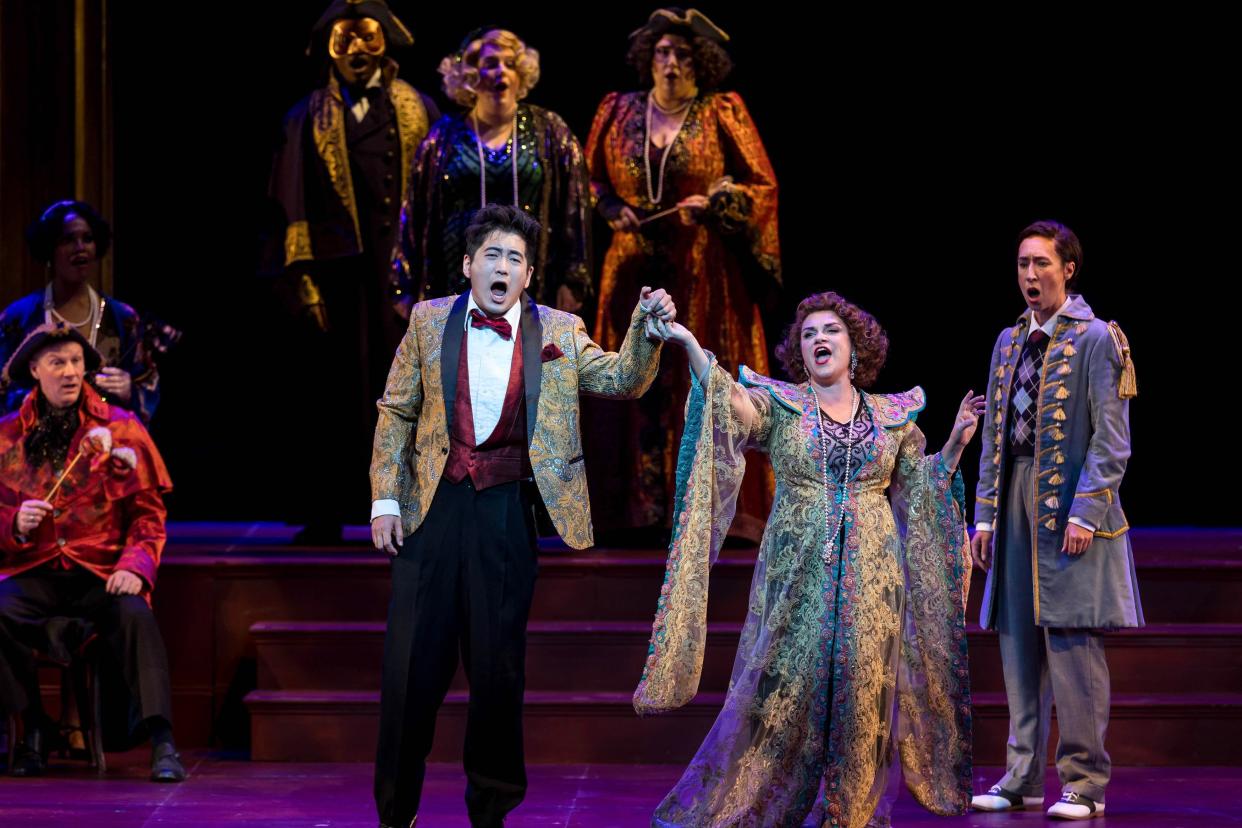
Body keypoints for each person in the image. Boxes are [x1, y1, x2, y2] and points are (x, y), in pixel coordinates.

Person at [370, 205, 672, 828]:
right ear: (467, 265)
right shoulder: (429, 322)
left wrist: (644, 327)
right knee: (409, 673)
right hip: (433, 509)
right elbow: (396, 411)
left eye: (514, 258)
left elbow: (623, 380)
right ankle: (395, 814)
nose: (502, 266)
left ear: (529, 273)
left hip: (507, 512)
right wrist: (384, 498)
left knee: (498, 672)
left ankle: (491, 813)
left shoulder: (558, 327)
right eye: (492, 255)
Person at [638, 292, 982, 826]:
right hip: (797, 567)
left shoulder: (894, 418)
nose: (820, 339)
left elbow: (921, 489)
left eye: (832, 331)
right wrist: (688, 344)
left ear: (855, 345)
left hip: (874, 575)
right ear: (800, 351)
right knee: (782, 686)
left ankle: (850, 810)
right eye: (809, 334)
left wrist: (957, 443)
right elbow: (728, 401)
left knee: (863, 691)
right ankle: (764, 801)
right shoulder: (782, 405)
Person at [584, 8, 779, 539]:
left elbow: (761, 187)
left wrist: (719, 201)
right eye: (663, 53)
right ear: (649, 59)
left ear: (701, 64)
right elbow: (590, 176)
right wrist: (606, 207)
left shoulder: (722, 111)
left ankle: (703, 514)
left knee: (696, 376)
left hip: (701, 271)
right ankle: (633, 513)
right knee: (630, 381)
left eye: (683, 56)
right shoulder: (617, 109)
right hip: (630, 270)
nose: (671, 63)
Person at [970, 221, 1141, 821]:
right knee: (1016, 642)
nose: (1030, 275)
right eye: (1022, 264)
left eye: (1041, 263)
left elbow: (1111, 440)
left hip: (1070, 507)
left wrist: (1087, 511)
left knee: (1072, 647)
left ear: (1069, 269)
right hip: (1015, 499)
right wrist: (984, 518)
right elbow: (995, 438)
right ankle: (1021, 775)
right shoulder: (1007, 342)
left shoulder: (1097, 339)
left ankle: (1085, 783)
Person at [266, 0, 438, 543]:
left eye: (368, 38)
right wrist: (303, 283)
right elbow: (287, 200)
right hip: (337, 281)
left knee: (405, 395)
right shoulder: (305, 117)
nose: (358, 52)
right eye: (346, 40)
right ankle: (328, 511)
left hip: (402, 277)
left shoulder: (421, 109)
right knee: (333, 396)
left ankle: (409, 505)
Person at [0, 323, 181, 782]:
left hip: (99, 571)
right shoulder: (6, 437)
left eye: (77, 362)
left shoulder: (121, 428)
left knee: (135, 613)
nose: (70, 372)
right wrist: (13, 525)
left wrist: (135, 566)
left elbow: (148, 515)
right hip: (35, 569)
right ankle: (33, 729)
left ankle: (162, 741)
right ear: (35, 370)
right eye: (57, 363)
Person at [392, 28, 592, 311]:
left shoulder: (549, 130)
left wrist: (574, 279)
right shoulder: (443, 137)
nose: (502, 72)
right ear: (471, 75)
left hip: (532, 279)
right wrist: (404, 283)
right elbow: (414, 210)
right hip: (456, 279)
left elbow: (575, 206)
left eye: (510, 64)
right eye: (490, 64)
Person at [0, 200, 159, 422]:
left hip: (104, 447)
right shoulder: (18, 318)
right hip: (34, 449)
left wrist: (131, 391)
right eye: (68, 240)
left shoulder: (123, 318)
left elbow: (149, 389)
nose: (80, 247)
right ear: (49, 249)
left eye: (88, 239)